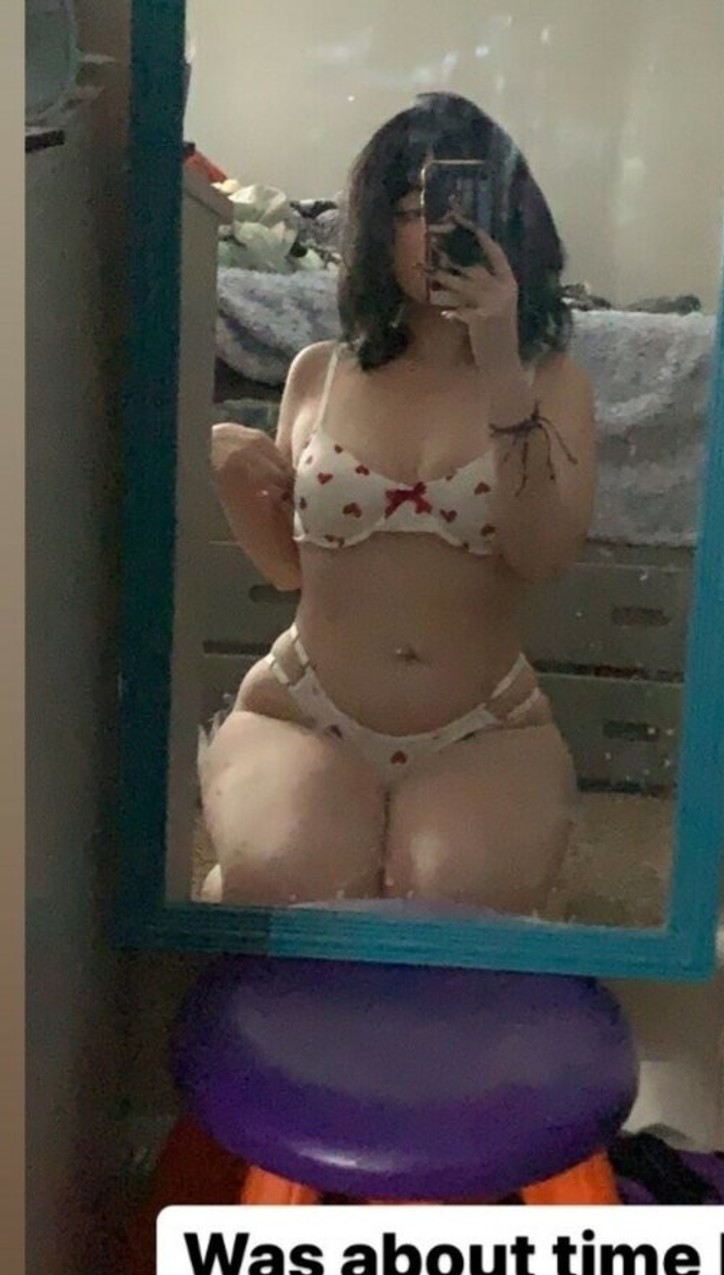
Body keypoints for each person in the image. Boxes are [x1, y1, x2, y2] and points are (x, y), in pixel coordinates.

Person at [199, 93, 597, 914]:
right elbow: (289, 571)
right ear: (379, 228)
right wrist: (233, 479)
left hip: (483, 722)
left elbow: (540, 555)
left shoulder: (553, 383)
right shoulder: (320, 371)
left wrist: (500, 362)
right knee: (284, 880)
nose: (434, 232)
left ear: (507, 221)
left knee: (449, 903)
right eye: (412, 210)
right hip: (302, 704)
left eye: (458, 207)